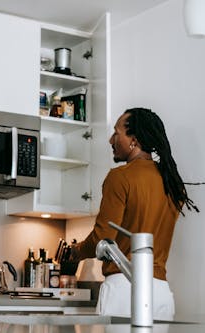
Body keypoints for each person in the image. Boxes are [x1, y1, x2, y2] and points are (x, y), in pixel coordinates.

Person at [70, 108, 199, 320]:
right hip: (161, 293)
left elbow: (103, 238)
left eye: (116, 132)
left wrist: (77, 252)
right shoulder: (173, 184)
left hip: (124, 290)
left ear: (134, 140)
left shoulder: (120, 177)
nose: (111, 139)